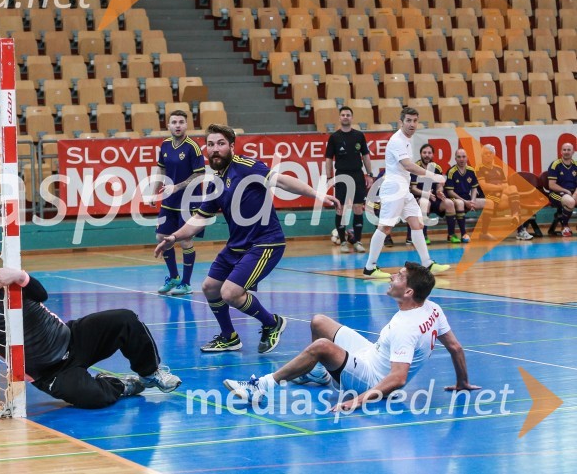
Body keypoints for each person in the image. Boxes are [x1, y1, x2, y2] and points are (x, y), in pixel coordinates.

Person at [154, 124, 341, 354]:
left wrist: (317, 194)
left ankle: (272, 323)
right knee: (210, 287)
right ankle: (229, 337)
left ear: (232, 146)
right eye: (210, 144)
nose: (215, 149)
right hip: (237, 245)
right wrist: (174, 237)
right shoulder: (215, 183)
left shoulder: (246, 166)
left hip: (265, 242)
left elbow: (281, 180)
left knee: (230, 293)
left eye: (221, 144)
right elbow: (199, 219)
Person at [224, 262, 480, 410]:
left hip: (371, 380)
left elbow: (398, 378)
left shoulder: (406, 327)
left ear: (409, 292)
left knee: (321, 346)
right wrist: (463, 382)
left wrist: (358, 401)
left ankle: (261, 386)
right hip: (371, 354)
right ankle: (319, 374)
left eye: (399, 276)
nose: (392, 276)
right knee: (319, 322)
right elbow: (455, 348)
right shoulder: (432, 308)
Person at [0, 252, 182, 410]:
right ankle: (120, 385)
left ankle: (150, 373)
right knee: (95, 399)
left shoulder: (10, 282)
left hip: (72, 338)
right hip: (49, 373)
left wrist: (19, 275)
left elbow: (41, 295)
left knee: (124, 319)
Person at [363, 108, 450, 279]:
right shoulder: (397, 140)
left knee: (417, 224)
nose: (412, 124)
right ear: (401, 122)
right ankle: (370, 268)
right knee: (385, 227)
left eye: (415, 121)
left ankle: (427, 263)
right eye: (408, 120)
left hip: (404, 189)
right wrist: (434, 176)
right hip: (394, 189)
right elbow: (408, 166)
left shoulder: (407, 140)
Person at [150, 110, 206, 296]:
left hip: (189, 201)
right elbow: (161, 170)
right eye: (174, 122)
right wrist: (154, 193)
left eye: (181, 122)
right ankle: (174, 277)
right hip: (169, 200)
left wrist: (177, 187)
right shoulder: (165, 145)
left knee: (184, 240)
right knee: (162, 237)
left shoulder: (192, 147)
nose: (178, 125)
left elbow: (199, 174)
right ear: (168, 125)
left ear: (186, 125)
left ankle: (186, 283)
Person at [325, 106, 374, 254]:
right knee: (341, 208)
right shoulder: (334, 137)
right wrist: (329, 177)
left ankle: (357, 241)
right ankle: (343, 242)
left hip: (357, 175)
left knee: (358, 208)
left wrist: (370, 174)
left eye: (348, 115)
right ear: (340, 118)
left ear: (352, 118)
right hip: (341, 175)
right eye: (343, 115)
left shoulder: (359, 135)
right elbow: (328, 159)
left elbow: (365, 156)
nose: (345, 117)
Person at [406, 143, 462, 244]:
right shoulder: (415, 167)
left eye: (429, 153)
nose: (427, 155)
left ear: (433, 155)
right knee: (425, 203)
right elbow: (413, 189)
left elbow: (439, 185)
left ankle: (451, 235)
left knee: (449, 203)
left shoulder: (437, 168)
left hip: (434, 198)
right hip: (420, 198)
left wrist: (439, 191)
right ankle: (424, 236)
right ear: (420, 154)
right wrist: (425, 194)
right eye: (424, 153)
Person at [477, 144, 533, 241]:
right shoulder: (479, 169)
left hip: (502, 196)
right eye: (486, 153)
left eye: (490, 153)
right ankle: (520, 230)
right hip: (490, 198)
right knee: (515, 201)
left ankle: (515, 218)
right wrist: (500, 187)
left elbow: (506, 185)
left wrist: (501, 189)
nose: (488, 155)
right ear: (482, 155)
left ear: (494, 155)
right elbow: (484, 186)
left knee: (513, 189)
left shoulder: (499, 168)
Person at [445, 148, 495, 241]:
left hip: (468, 199)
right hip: (454, 199)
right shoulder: (451, 172)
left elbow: (474, 188)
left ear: (467, 158)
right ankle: (464, 234)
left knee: (490, 203)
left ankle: (484, 233)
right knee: (460, 203)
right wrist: (465, 202)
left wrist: (472, 201)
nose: (461, 159)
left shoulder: (471, 171)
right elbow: (450, 192)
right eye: (459, 157)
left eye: (463, 157)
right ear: (455, 159)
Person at [547, 142, 577, 237]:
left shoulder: (576, 165)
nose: (566, 152)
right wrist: (566, 191)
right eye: (564, 150)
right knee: (570, 201)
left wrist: (575, 193)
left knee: (572, 199)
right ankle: (565, 226)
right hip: (557, 193)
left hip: (573, 192)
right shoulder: (555, 164)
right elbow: (552, 185)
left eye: (569, 150)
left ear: (573, 152)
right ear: (561, 152)